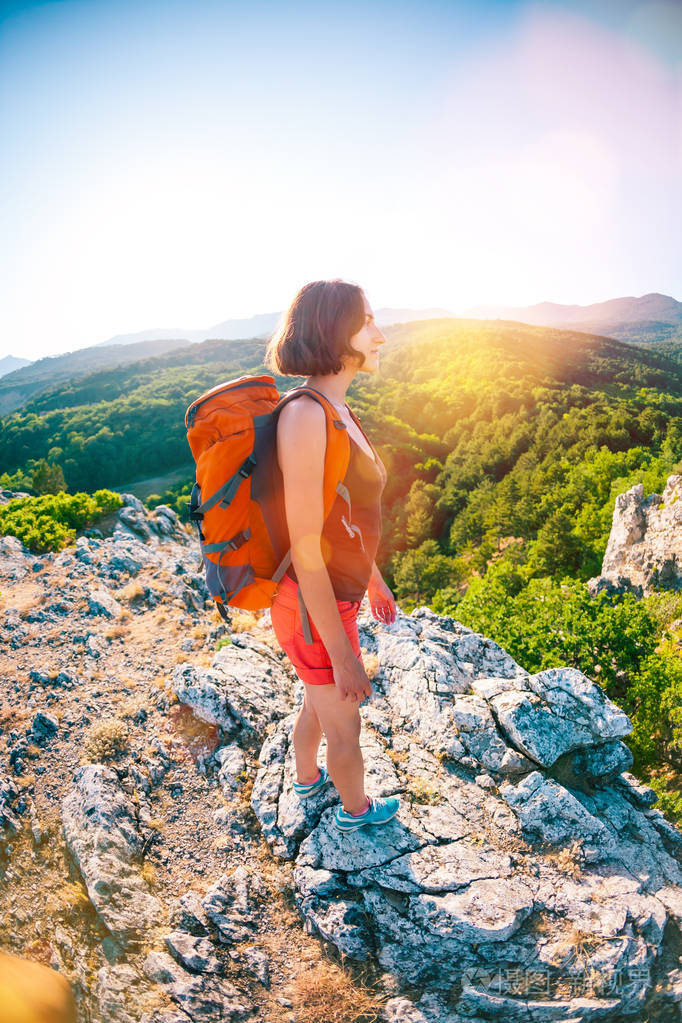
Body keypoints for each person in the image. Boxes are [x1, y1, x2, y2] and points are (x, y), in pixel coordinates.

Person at [265, 279, 400, 832]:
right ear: (334, 332)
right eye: (367, 323)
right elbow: (305, 546)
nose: (381, 336)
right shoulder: (306, 416)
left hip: (335, 594)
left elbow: (344, 521)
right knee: (346, 726)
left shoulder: (339, 410)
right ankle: (356, 817)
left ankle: (304, 781)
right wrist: (343, 652)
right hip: (312, 602)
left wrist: (374, 578)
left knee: (314, 703)